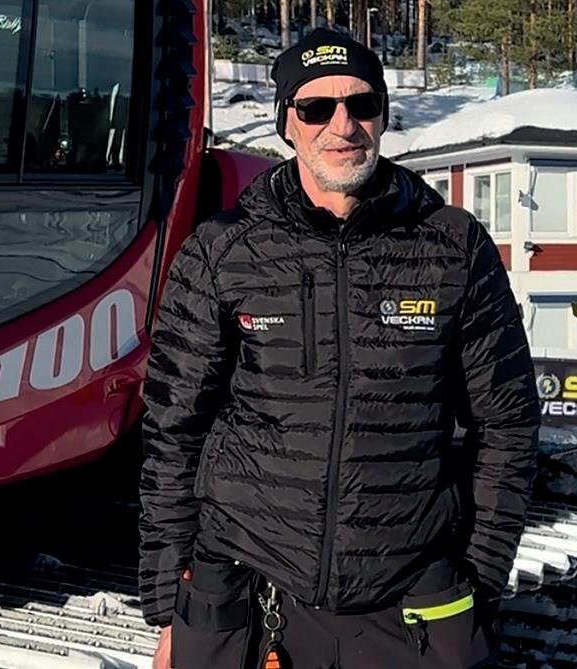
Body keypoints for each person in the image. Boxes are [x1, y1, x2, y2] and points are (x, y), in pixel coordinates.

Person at [139, 28, 540, 669]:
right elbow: (173, 429)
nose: (343, 125)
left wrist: (481, 582)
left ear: (383, 115)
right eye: (317, 107)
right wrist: (170, 607)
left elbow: (508, 425)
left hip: (410, 595)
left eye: (362, 104)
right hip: (247, 588)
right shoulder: (223, 249)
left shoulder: (453, 246)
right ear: (286, 123)